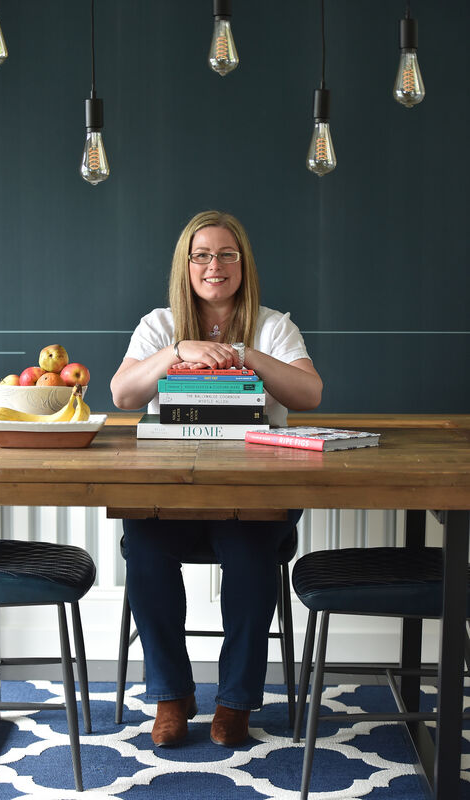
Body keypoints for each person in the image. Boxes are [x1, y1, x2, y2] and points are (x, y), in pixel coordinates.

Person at [110, 210, 322, 748]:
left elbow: (309, 395)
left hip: (254, 494)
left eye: (228, 254)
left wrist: (245, 357)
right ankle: (171, 696)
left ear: (244, 264)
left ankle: (235, 701)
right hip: (171, 491)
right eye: (202, 254)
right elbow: (123, 396)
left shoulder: (275, 325)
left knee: (251, 559)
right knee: (145, 550)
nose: (215, 265)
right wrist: (177, 352)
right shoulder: (158, 325)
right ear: (186, 265)